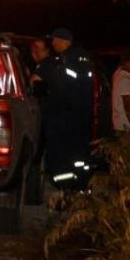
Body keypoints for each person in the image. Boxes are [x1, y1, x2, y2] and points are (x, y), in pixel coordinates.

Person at [34, 27, 95, 191]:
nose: (52, 43)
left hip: (63, 119)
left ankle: (65, 191)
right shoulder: (84, 58)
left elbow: (59, 89)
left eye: (55, 40)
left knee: (60, 158)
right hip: (82, 118)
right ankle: (82, 188)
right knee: (80, 157)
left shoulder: (65, 61)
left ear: (64, 41)